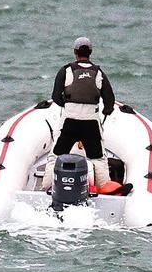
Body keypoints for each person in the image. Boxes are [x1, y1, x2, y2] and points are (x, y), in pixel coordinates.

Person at [50, 36, 123, 194]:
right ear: (90, 52)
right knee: (98, 158)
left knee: (56, 154)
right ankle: (104, 186)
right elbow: (109, 100)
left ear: (75, 52)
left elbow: (56, 96)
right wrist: (106, 110)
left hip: (69, 120)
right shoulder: (98, 73)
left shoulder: (66, 70)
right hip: (91, 122)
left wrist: (68, 105)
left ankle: (48, 185)